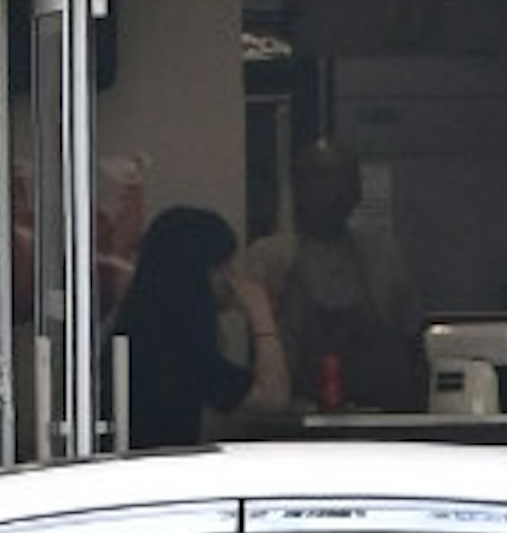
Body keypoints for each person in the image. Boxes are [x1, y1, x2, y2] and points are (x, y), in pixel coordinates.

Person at [246, 136, 424, 416]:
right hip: (292, 427)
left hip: (377, 421)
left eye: (347, 179)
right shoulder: (269, 258)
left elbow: (411, 342)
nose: (337, 190)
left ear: (358, 192)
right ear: (299, 188)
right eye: (322, 178)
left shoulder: (384, 256)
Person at [118, 202, 288, 451]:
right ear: (201, 272)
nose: (232, 279)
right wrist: (260, 313)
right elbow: (273, 396)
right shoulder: (175, 345)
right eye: (226, 267)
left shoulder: (143, 327)